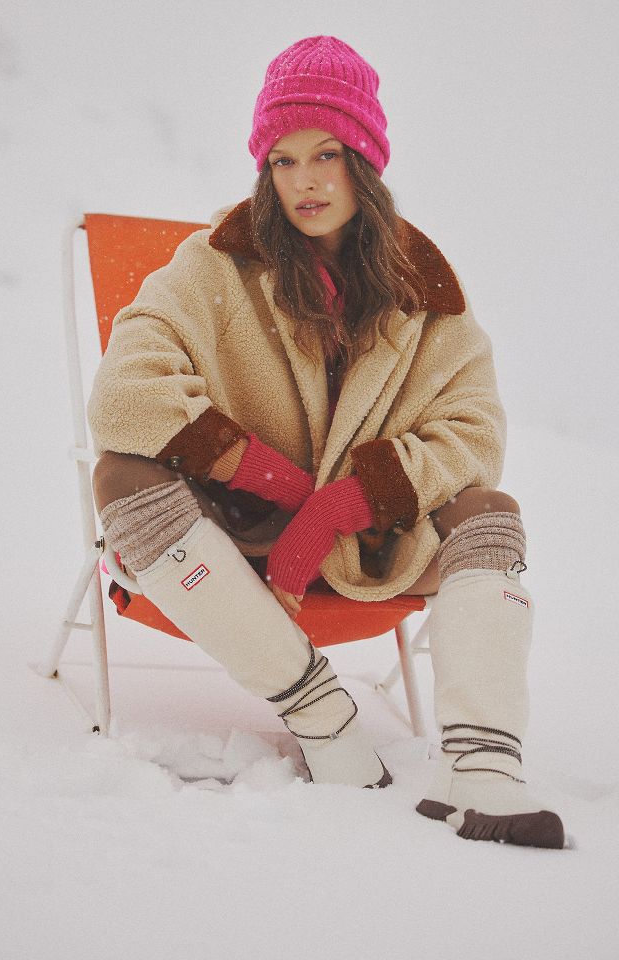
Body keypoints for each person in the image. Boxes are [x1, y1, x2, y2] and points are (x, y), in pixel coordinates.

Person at [88, 35, 564, 848]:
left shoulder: (426, 288)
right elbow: (124, 391)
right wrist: (271, 481)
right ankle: (319, 712)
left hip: (371, 541)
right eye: (282, 160)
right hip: (237, 538)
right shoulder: (214, 263)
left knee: (489, 507)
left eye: (325, 155)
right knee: (120, 473)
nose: (303, 181)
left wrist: (341, 504)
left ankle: (481, 765)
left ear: (364, 162)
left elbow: (474, 430)